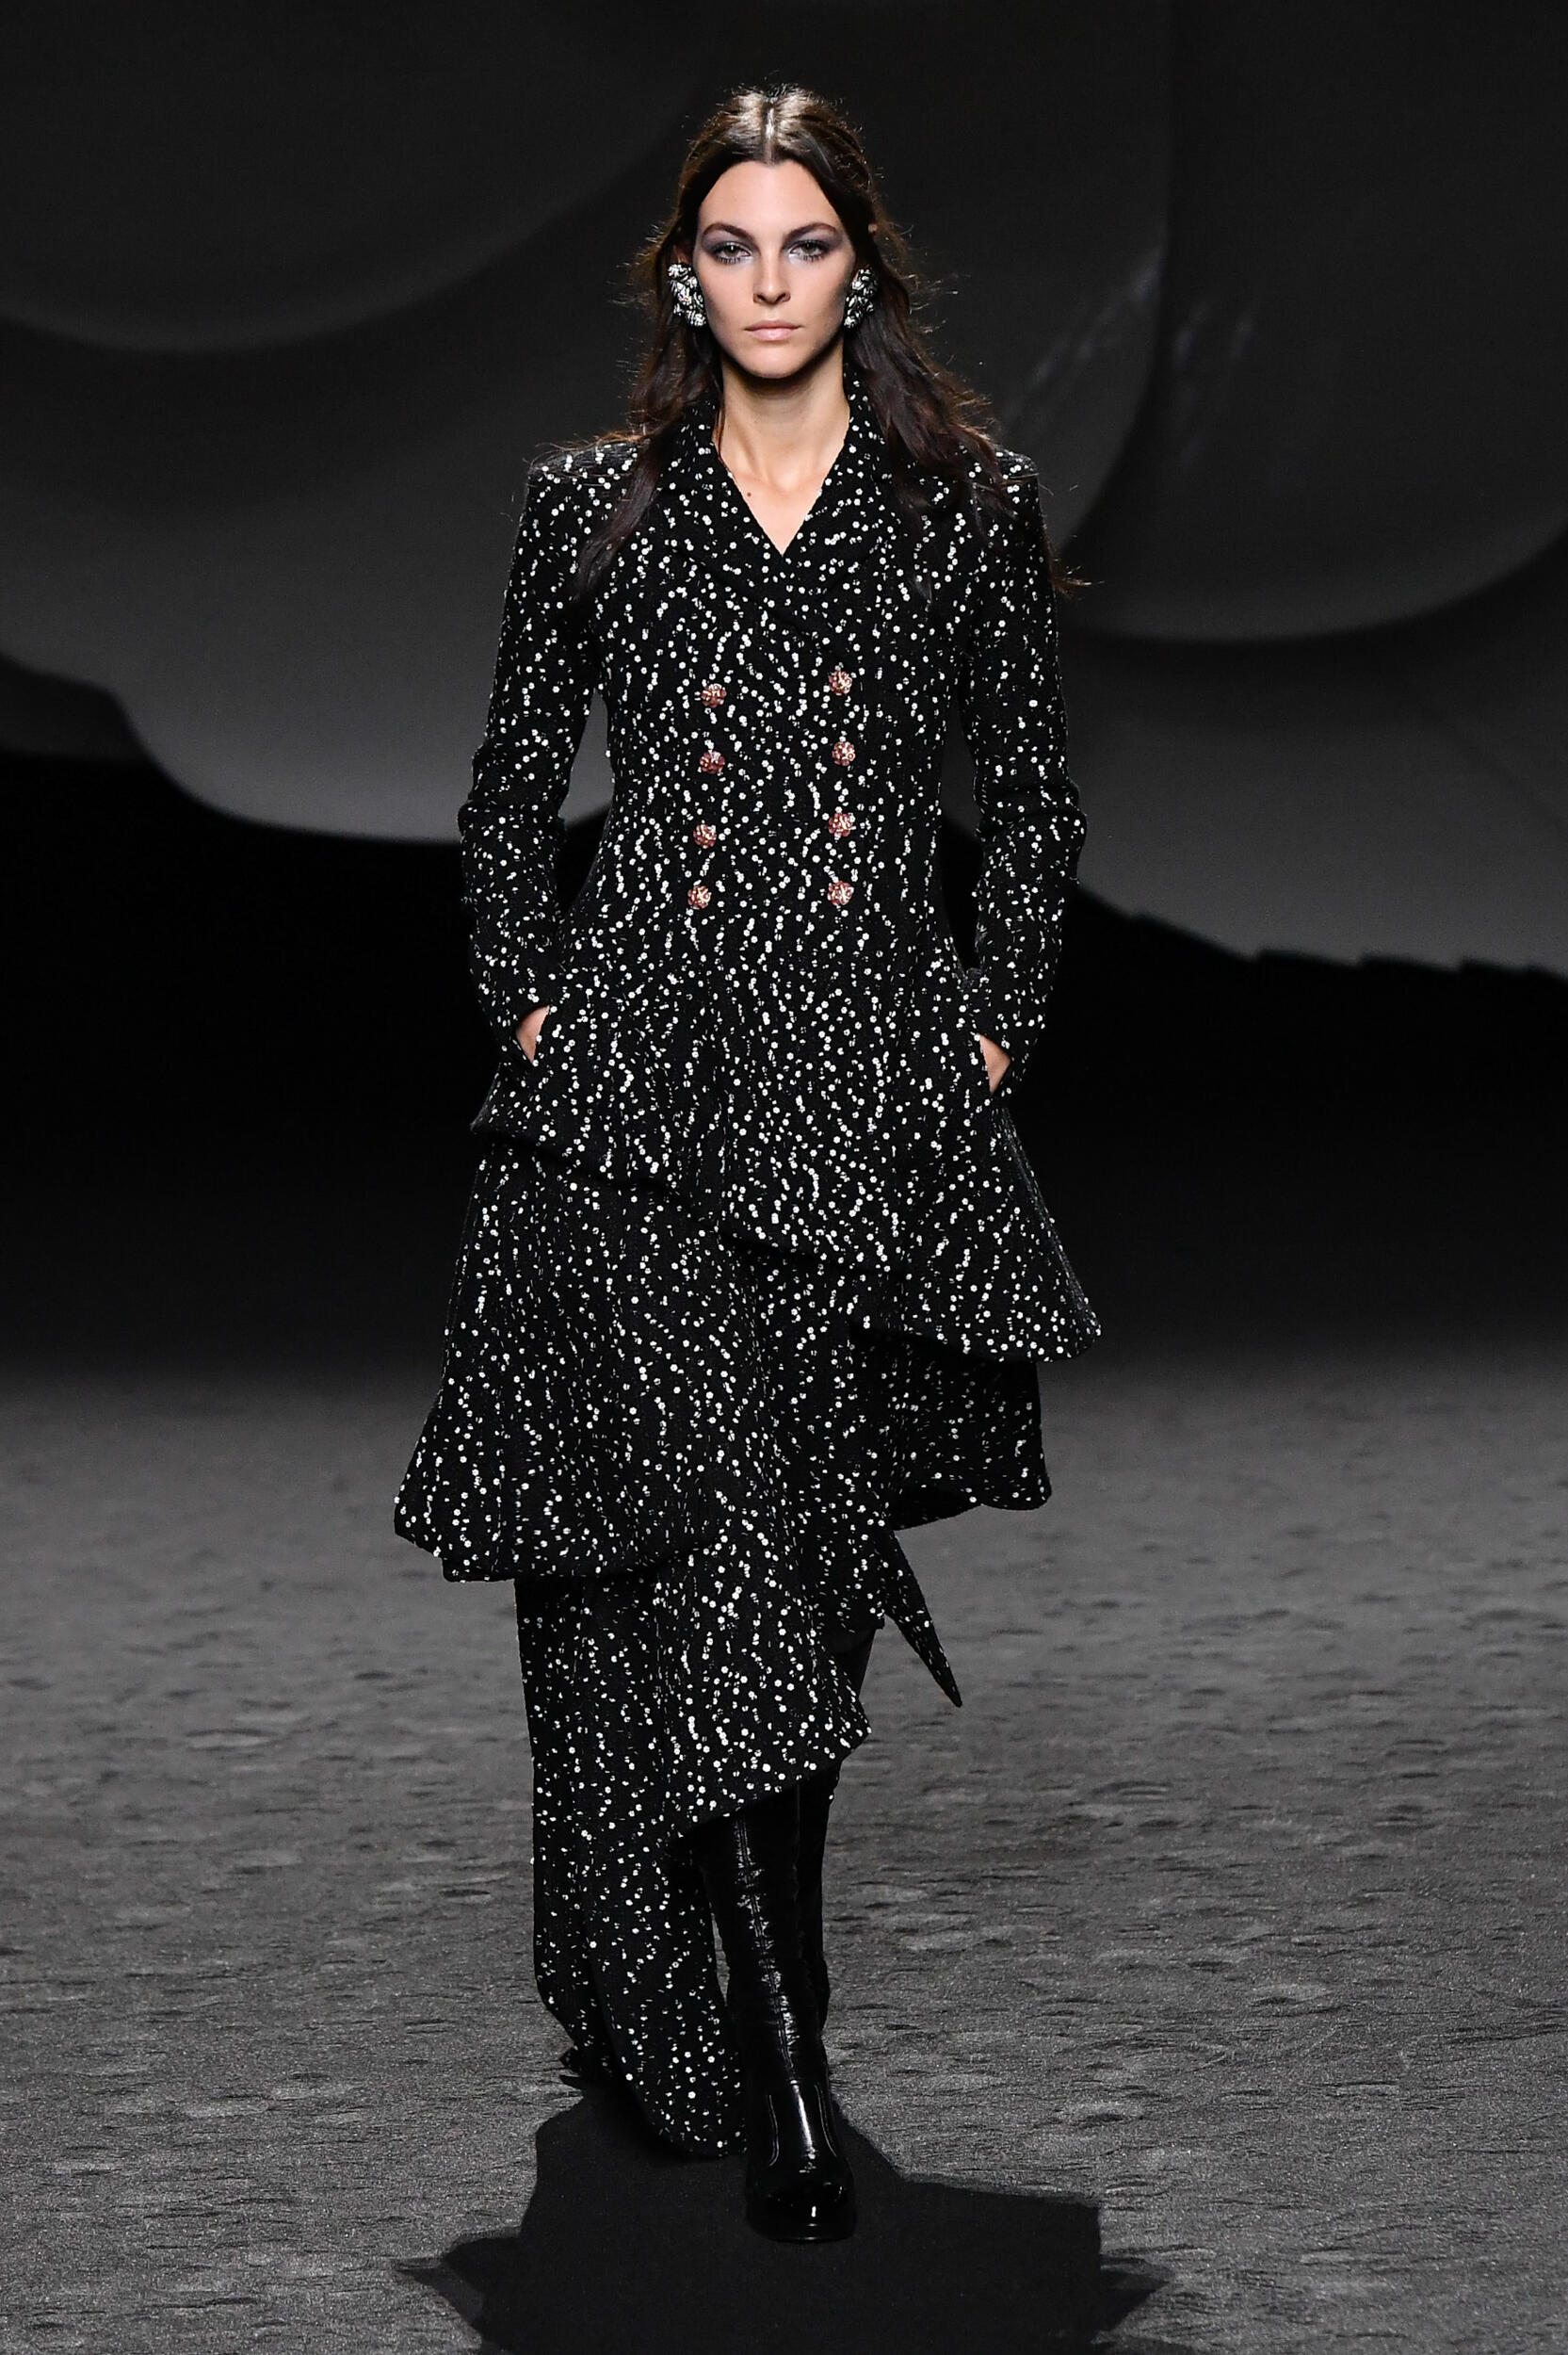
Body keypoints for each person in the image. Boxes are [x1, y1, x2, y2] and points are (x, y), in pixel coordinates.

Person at [396, 83, 1097, 2244]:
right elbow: (506, 791)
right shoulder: (592, 507)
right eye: (731, 245)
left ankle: (738, 1979)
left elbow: (1033, 800)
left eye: (805, 244)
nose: (770, 280)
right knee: (701, 1545)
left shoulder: (960, 507)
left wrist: (992, 1025)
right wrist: (529, 1003)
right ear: (682, 275)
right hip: (635, 1103)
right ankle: (790, 2051)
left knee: (793, 1564)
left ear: (856, 268)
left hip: (865, 1095)